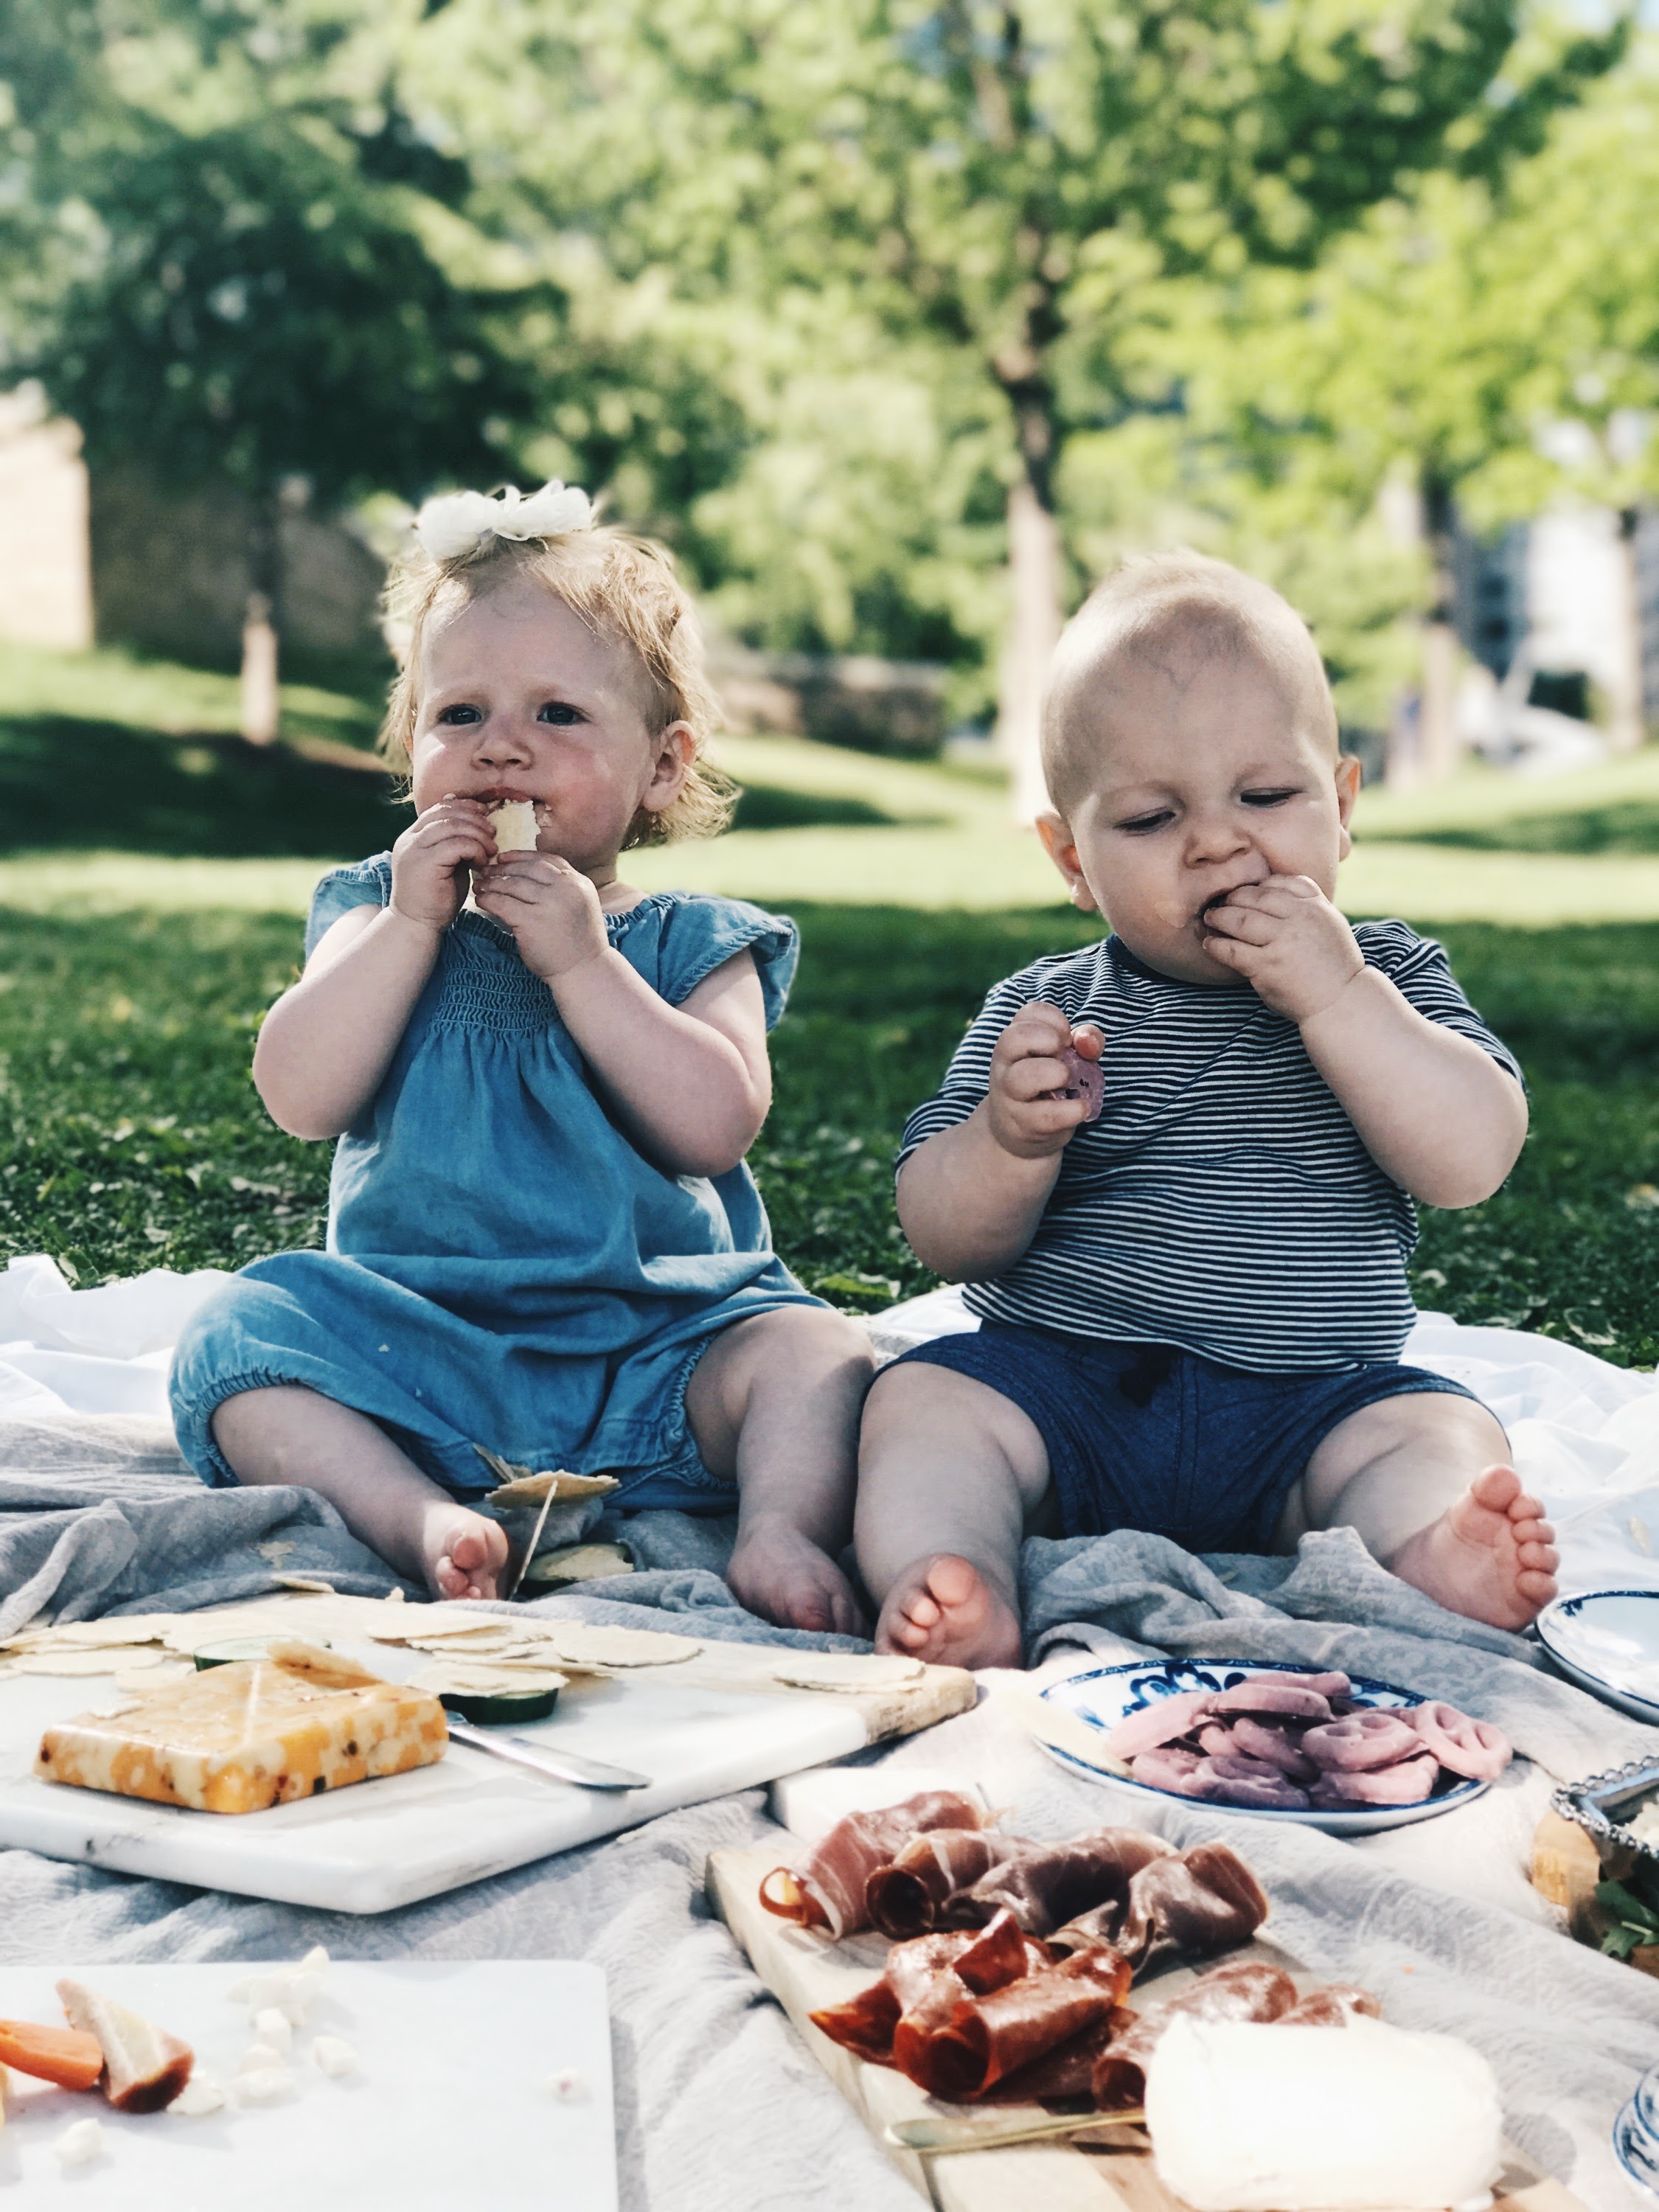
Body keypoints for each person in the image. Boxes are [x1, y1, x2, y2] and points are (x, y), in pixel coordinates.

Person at [170, 482, 870, 1630]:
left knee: (813, 1352)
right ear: (411, 749)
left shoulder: (689, 942)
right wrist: (408, 928)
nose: (500, 747)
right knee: (235, 1339)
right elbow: (298, 1097)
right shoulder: (375, 915)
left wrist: (587, 968)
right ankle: (419, 1521)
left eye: (557, 714)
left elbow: (714, 1124)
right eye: (459, 716)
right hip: (416, 1348)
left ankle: (781, 1530)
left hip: (655, 1350)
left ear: (661, 767)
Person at [857, 551, 1559, 1669]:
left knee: (1438, 1431)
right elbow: (941, 1236)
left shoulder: (1389, 978)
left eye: (1266, 798)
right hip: (1064, 1389)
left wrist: (1337, 998)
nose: (1218, 843)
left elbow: (1469, 1159)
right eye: (1148, 818)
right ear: (1070, 859)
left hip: (1310, 1412)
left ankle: (1422, 1553)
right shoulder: (1044, 1010)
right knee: (922, 1401)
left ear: (1341, 806)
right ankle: (958, 1579)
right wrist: (1006, 1139)